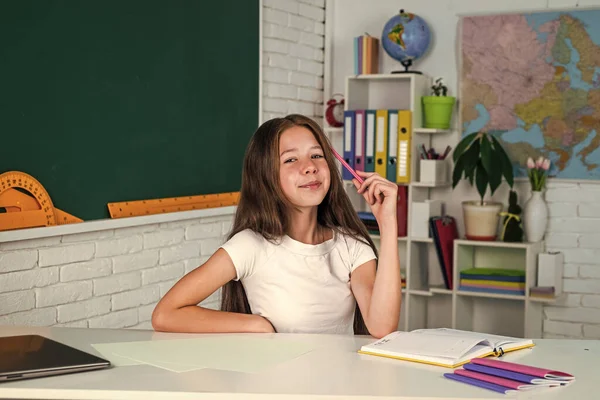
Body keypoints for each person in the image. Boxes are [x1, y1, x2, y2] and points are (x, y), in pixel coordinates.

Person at [152, 114, 402, 338]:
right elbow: (166, 314)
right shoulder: (250, 246)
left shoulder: (352, 247)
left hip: (335, 386)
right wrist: (256, 326)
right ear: (266, 175)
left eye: (317, 155)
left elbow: (381, 327)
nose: (310, 167)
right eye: (291, 159)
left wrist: (388, 223)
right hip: (272, 387)